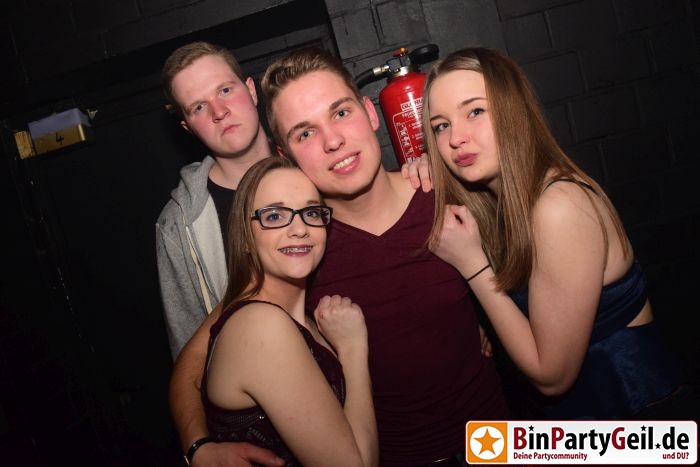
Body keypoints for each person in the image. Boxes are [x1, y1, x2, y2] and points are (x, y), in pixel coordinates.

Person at [170, 46, 509, 467]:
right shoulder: (298, 251)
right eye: (305, 134)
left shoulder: (444, 194)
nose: (333, 141)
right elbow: (194, 362)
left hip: (498, 442)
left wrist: (483, 309)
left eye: (341, 113)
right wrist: (197, 447)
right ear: (285, 156)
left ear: (369, 113)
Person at [405, 46, 696, 420]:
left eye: (475, 111)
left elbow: (552, 377)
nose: (455, 138)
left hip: (640, 422)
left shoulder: (558, 206)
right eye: (440, 126)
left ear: (514, 111)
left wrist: (473, 265)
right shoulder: (507, 206)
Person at [198, 156, 377, 466]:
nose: (299, 229)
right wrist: (353, 349)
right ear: (245, 236)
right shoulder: (260, 326)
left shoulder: (306, 320)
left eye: (311, 212)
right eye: (274, 215)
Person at [155, 41, 280, 466]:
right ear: (187, 127)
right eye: (198, 107)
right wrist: (199, 448)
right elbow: (189, 352)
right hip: (265, 431)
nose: (219, 112)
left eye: (225, 90)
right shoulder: (179, 225)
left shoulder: (315, 164)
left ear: (251, 89)